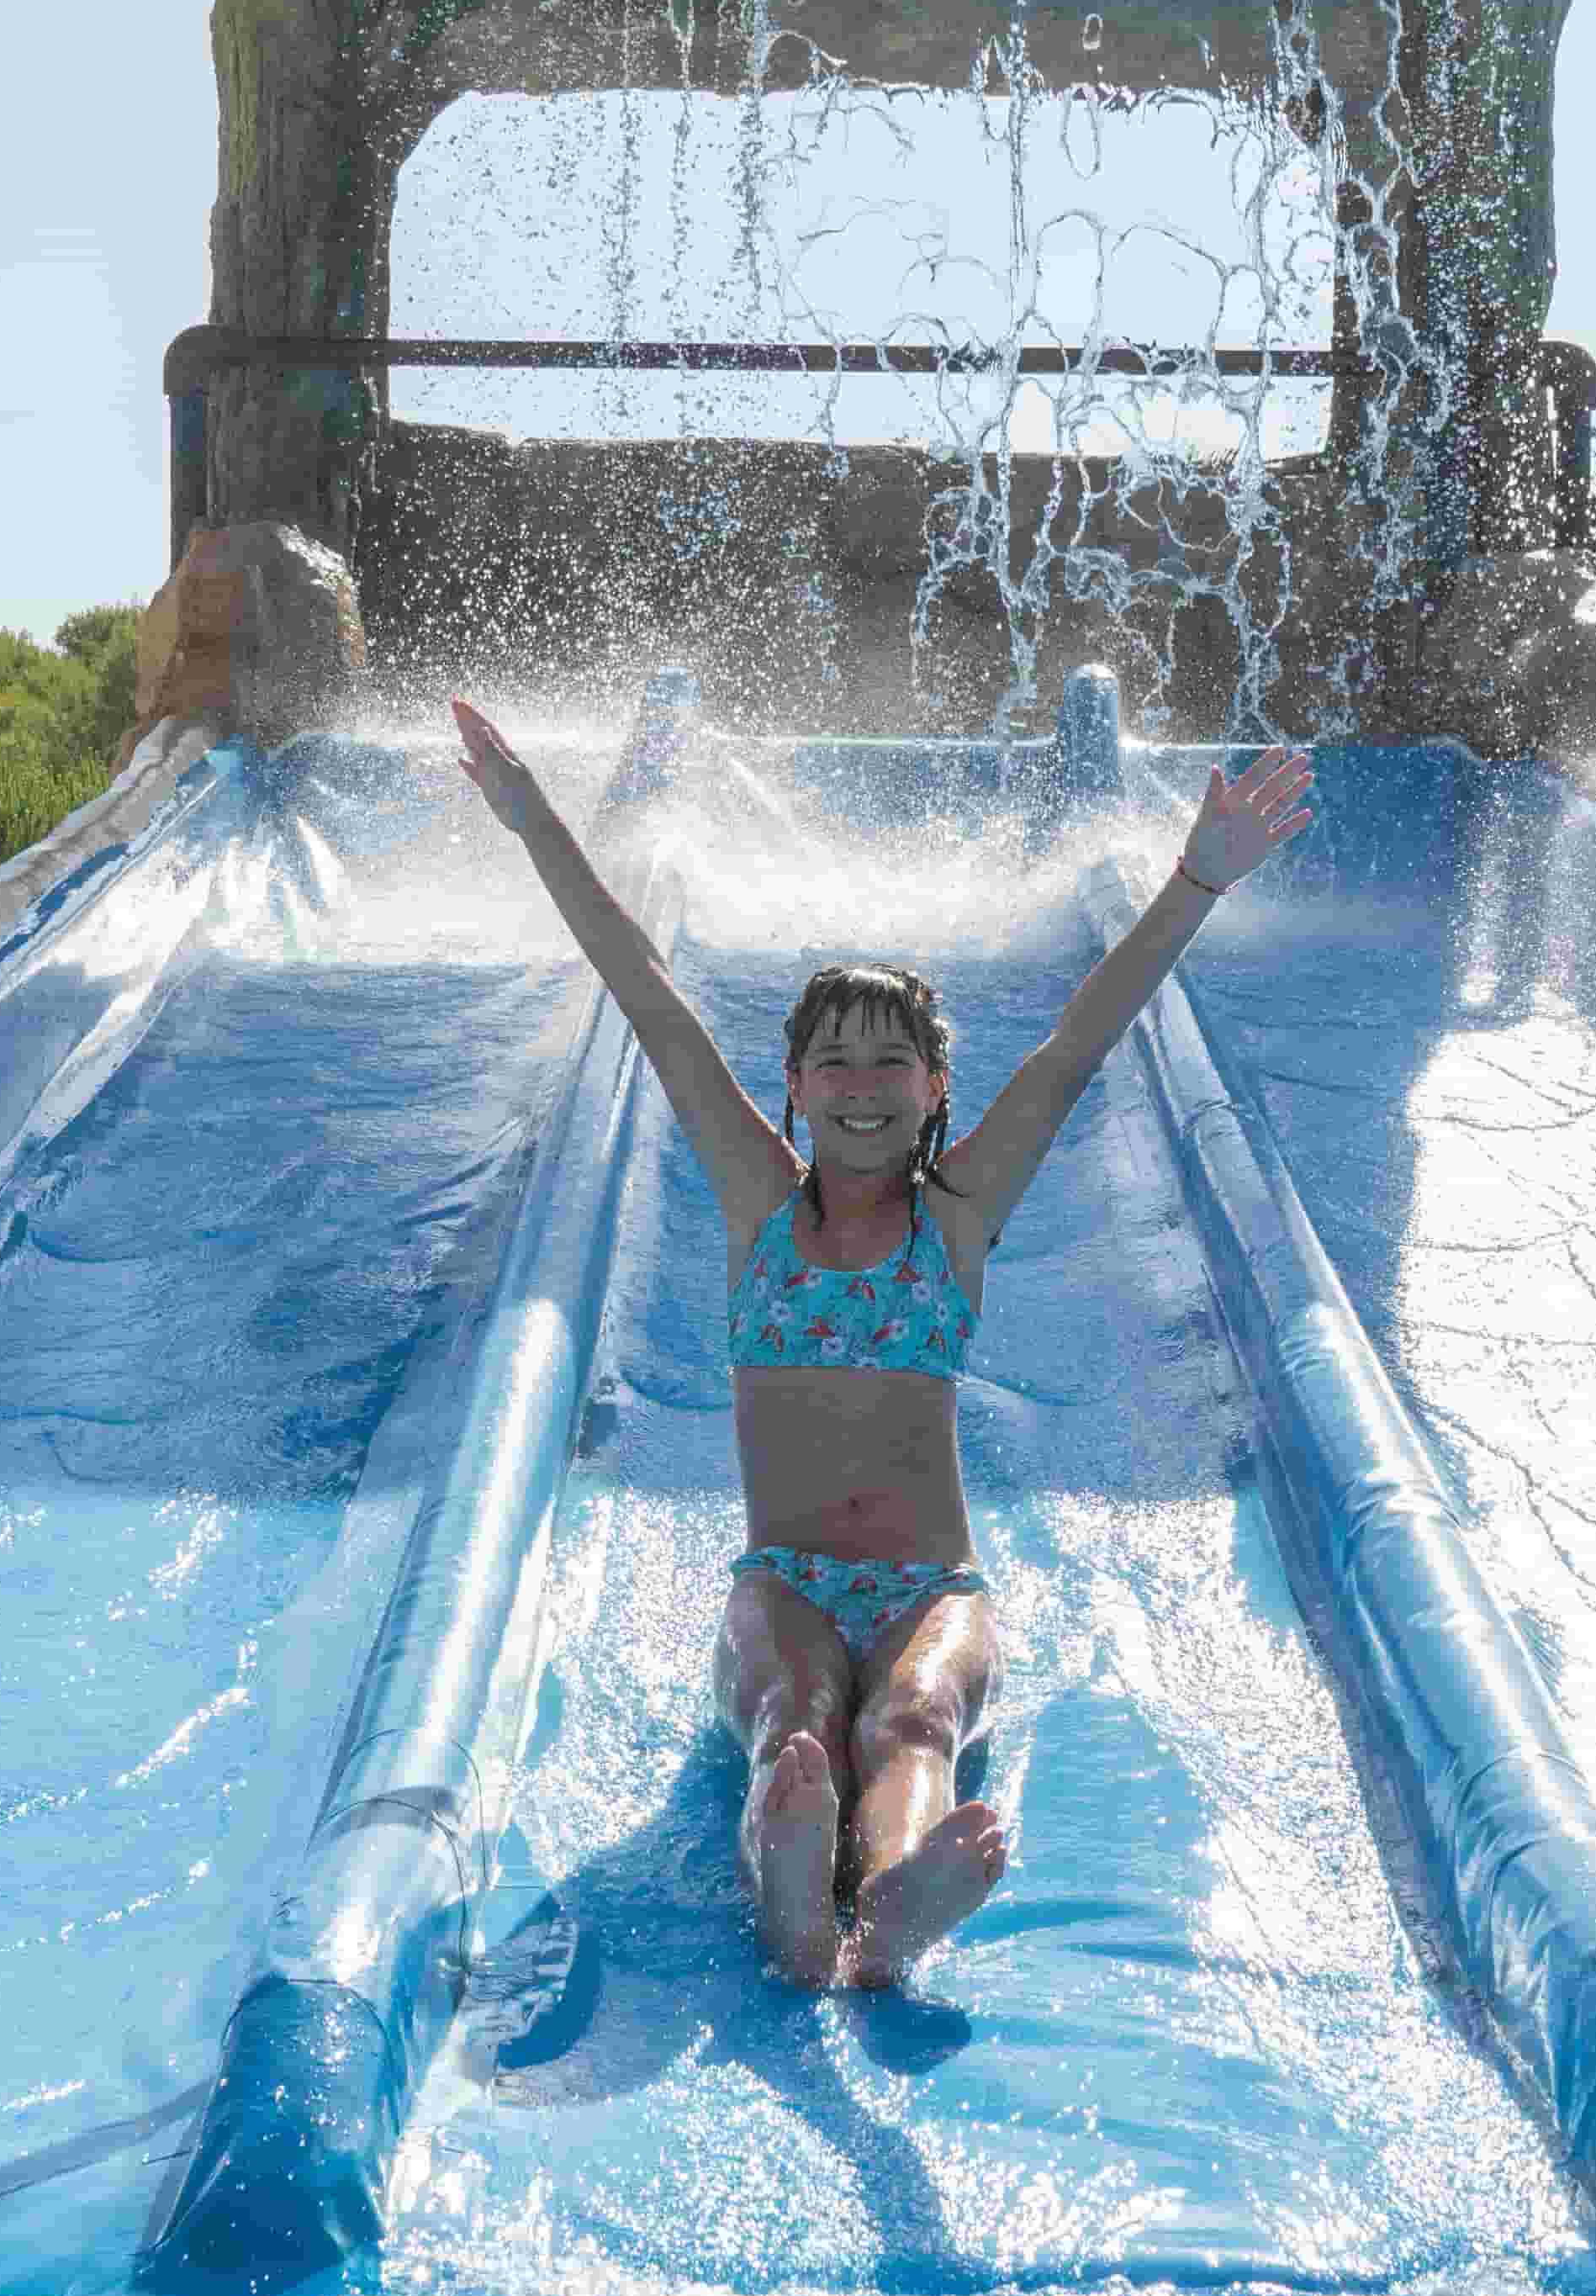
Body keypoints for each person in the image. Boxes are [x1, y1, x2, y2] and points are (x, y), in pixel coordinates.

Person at [452, 696, 1314, 1991]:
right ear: (792, 1089)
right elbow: (649, 997)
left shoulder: (955, 1222)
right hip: (785, 1581)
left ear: (935, 1092)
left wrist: (1197, 878)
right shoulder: (761, 1206)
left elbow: (1079, 1046)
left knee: (914, 1720)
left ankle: (894, 1908)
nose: (863, 1089)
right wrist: (537, 828)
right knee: (794, 1730)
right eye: (836, 1066)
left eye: (892, 1065)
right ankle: (799, 1907)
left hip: (933, 1590)